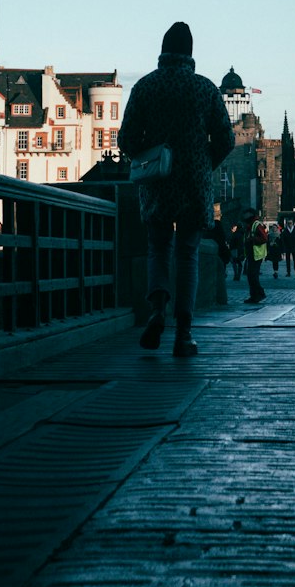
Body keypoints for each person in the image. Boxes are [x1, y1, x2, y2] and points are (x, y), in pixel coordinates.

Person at [118, 21, 234, 357]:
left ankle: (157, 310)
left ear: (163, 50)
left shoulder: (145, 87)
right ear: (190, 53)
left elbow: (126, 139)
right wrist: (201, 162)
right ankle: (183, 333)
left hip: (157, 181)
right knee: (187, 255)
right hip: (194, 186)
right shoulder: (204, 89)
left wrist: (153, 155)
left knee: (157, 249)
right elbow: (226, 139)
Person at [244, 210, 268, 303]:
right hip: (252, 253)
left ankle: (259, 294)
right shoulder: (251, 225)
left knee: (253, 275)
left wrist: (252, 239)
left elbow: (264, 238)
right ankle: (254, 295)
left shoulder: (256, 224)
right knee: (251, 275)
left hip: (256, 254)